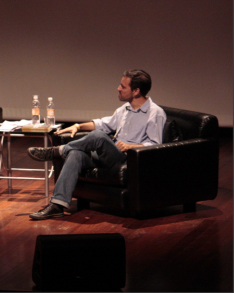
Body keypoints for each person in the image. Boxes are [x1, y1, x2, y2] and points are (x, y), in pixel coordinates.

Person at [27, 69, 166, 220]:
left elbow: (155, 145)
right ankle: (57, 205)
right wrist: (77, 126)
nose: (118, 89)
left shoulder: (155, 113)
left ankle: (56, 151)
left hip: (128, 160)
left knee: (99, 137)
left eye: (123, 86)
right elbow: (101, 124)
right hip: (108, 156)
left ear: (136, 91)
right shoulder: (124, 110)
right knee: (75, 154)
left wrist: (130, 146)